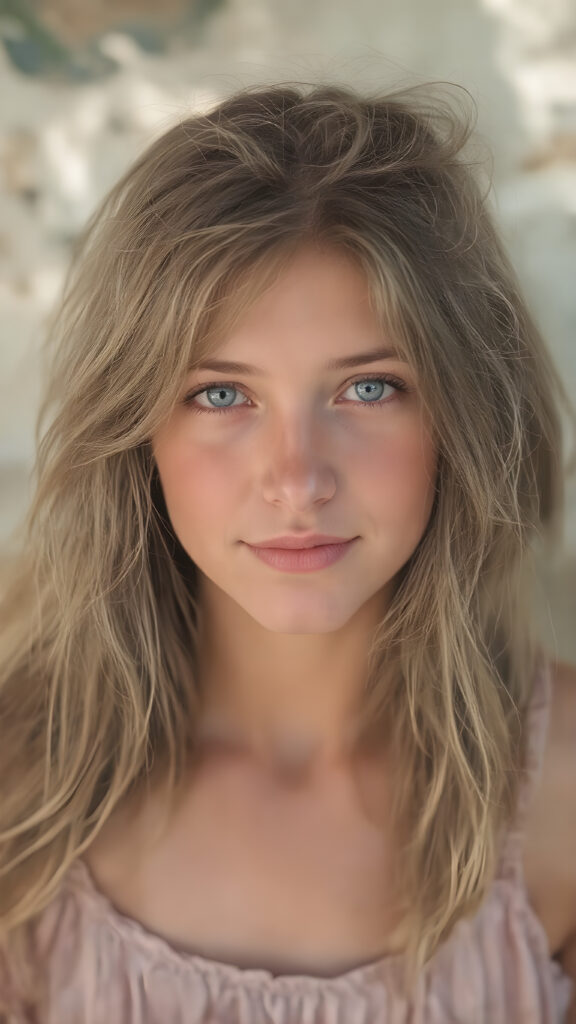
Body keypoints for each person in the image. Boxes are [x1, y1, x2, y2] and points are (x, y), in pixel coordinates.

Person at [0, 78, 575, 1024]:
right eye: (222, 395)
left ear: (459, 416)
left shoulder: (562, 796)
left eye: (368, 389)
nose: (298, 480)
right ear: (137, 432)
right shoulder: (22, 787)